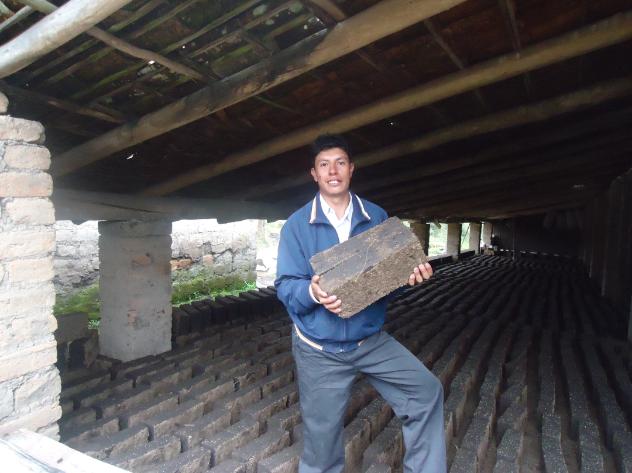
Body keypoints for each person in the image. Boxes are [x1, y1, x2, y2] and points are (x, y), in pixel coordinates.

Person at [274, 134, 446, 473]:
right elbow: (285, 287)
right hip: (319, 348)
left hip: (369, 340)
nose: (332, 171)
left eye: (340, 163)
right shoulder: (296, 225)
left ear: (351, 169)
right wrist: (312, 292)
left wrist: (406, 279)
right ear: (314, 174)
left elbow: (382, 286)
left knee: (426, 393)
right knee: (321, 450)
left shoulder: (375, 216)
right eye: (324, 165)